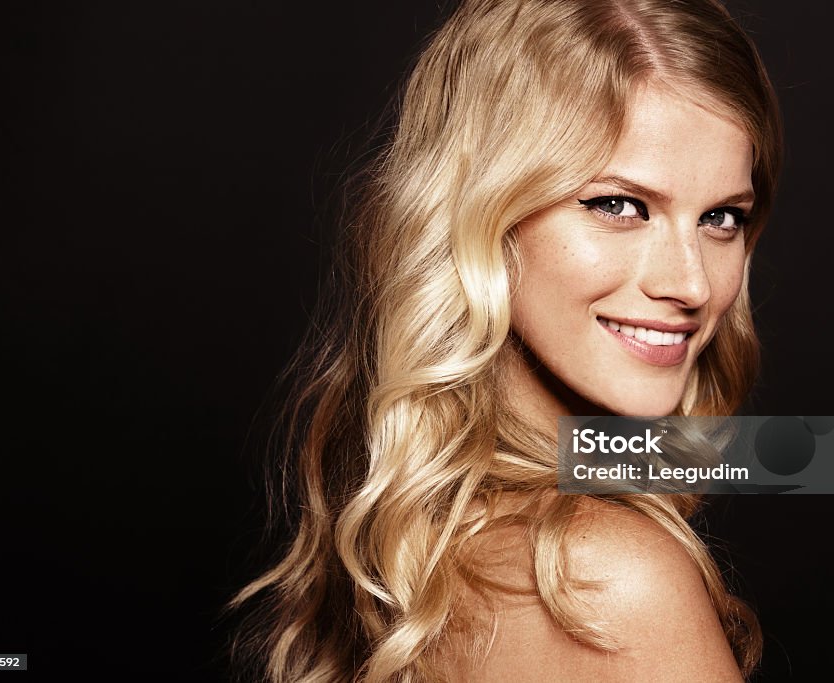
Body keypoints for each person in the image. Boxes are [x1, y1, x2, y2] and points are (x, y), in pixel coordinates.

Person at [231, 0, 783, 680]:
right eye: (617, 205)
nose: (693, 284)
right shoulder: (609, 580)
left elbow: (821, 455)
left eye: (722, 217)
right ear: (479, 211)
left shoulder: (420, 519)